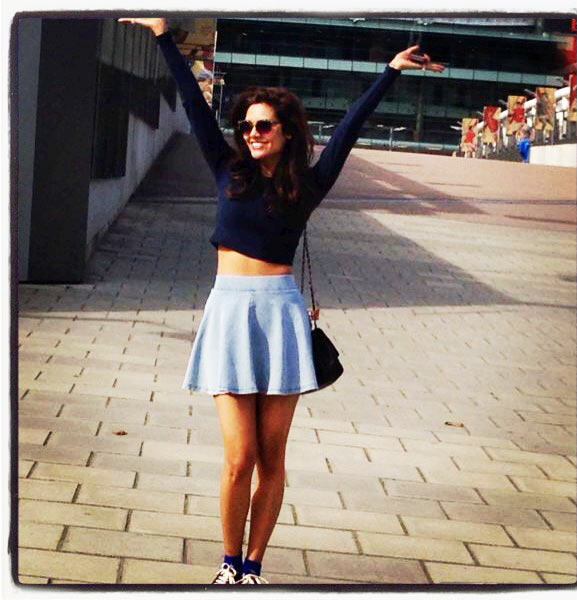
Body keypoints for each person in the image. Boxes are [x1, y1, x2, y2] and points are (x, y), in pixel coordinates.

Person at [118, 16, 444, 585]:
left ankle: (252, 568)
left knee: (272, 459)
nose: (252, 132)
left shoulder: (307, 186)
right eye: (246, 125)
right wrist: (164, 37)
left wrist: (389, 72)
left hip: (281, 315)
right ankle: (225, 563)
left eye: (263, 125)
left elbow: (348, 129)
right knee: (239, 456)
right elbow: (196, 110)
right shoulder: (228, 171)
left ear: (287, 130)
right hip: (228, 313)